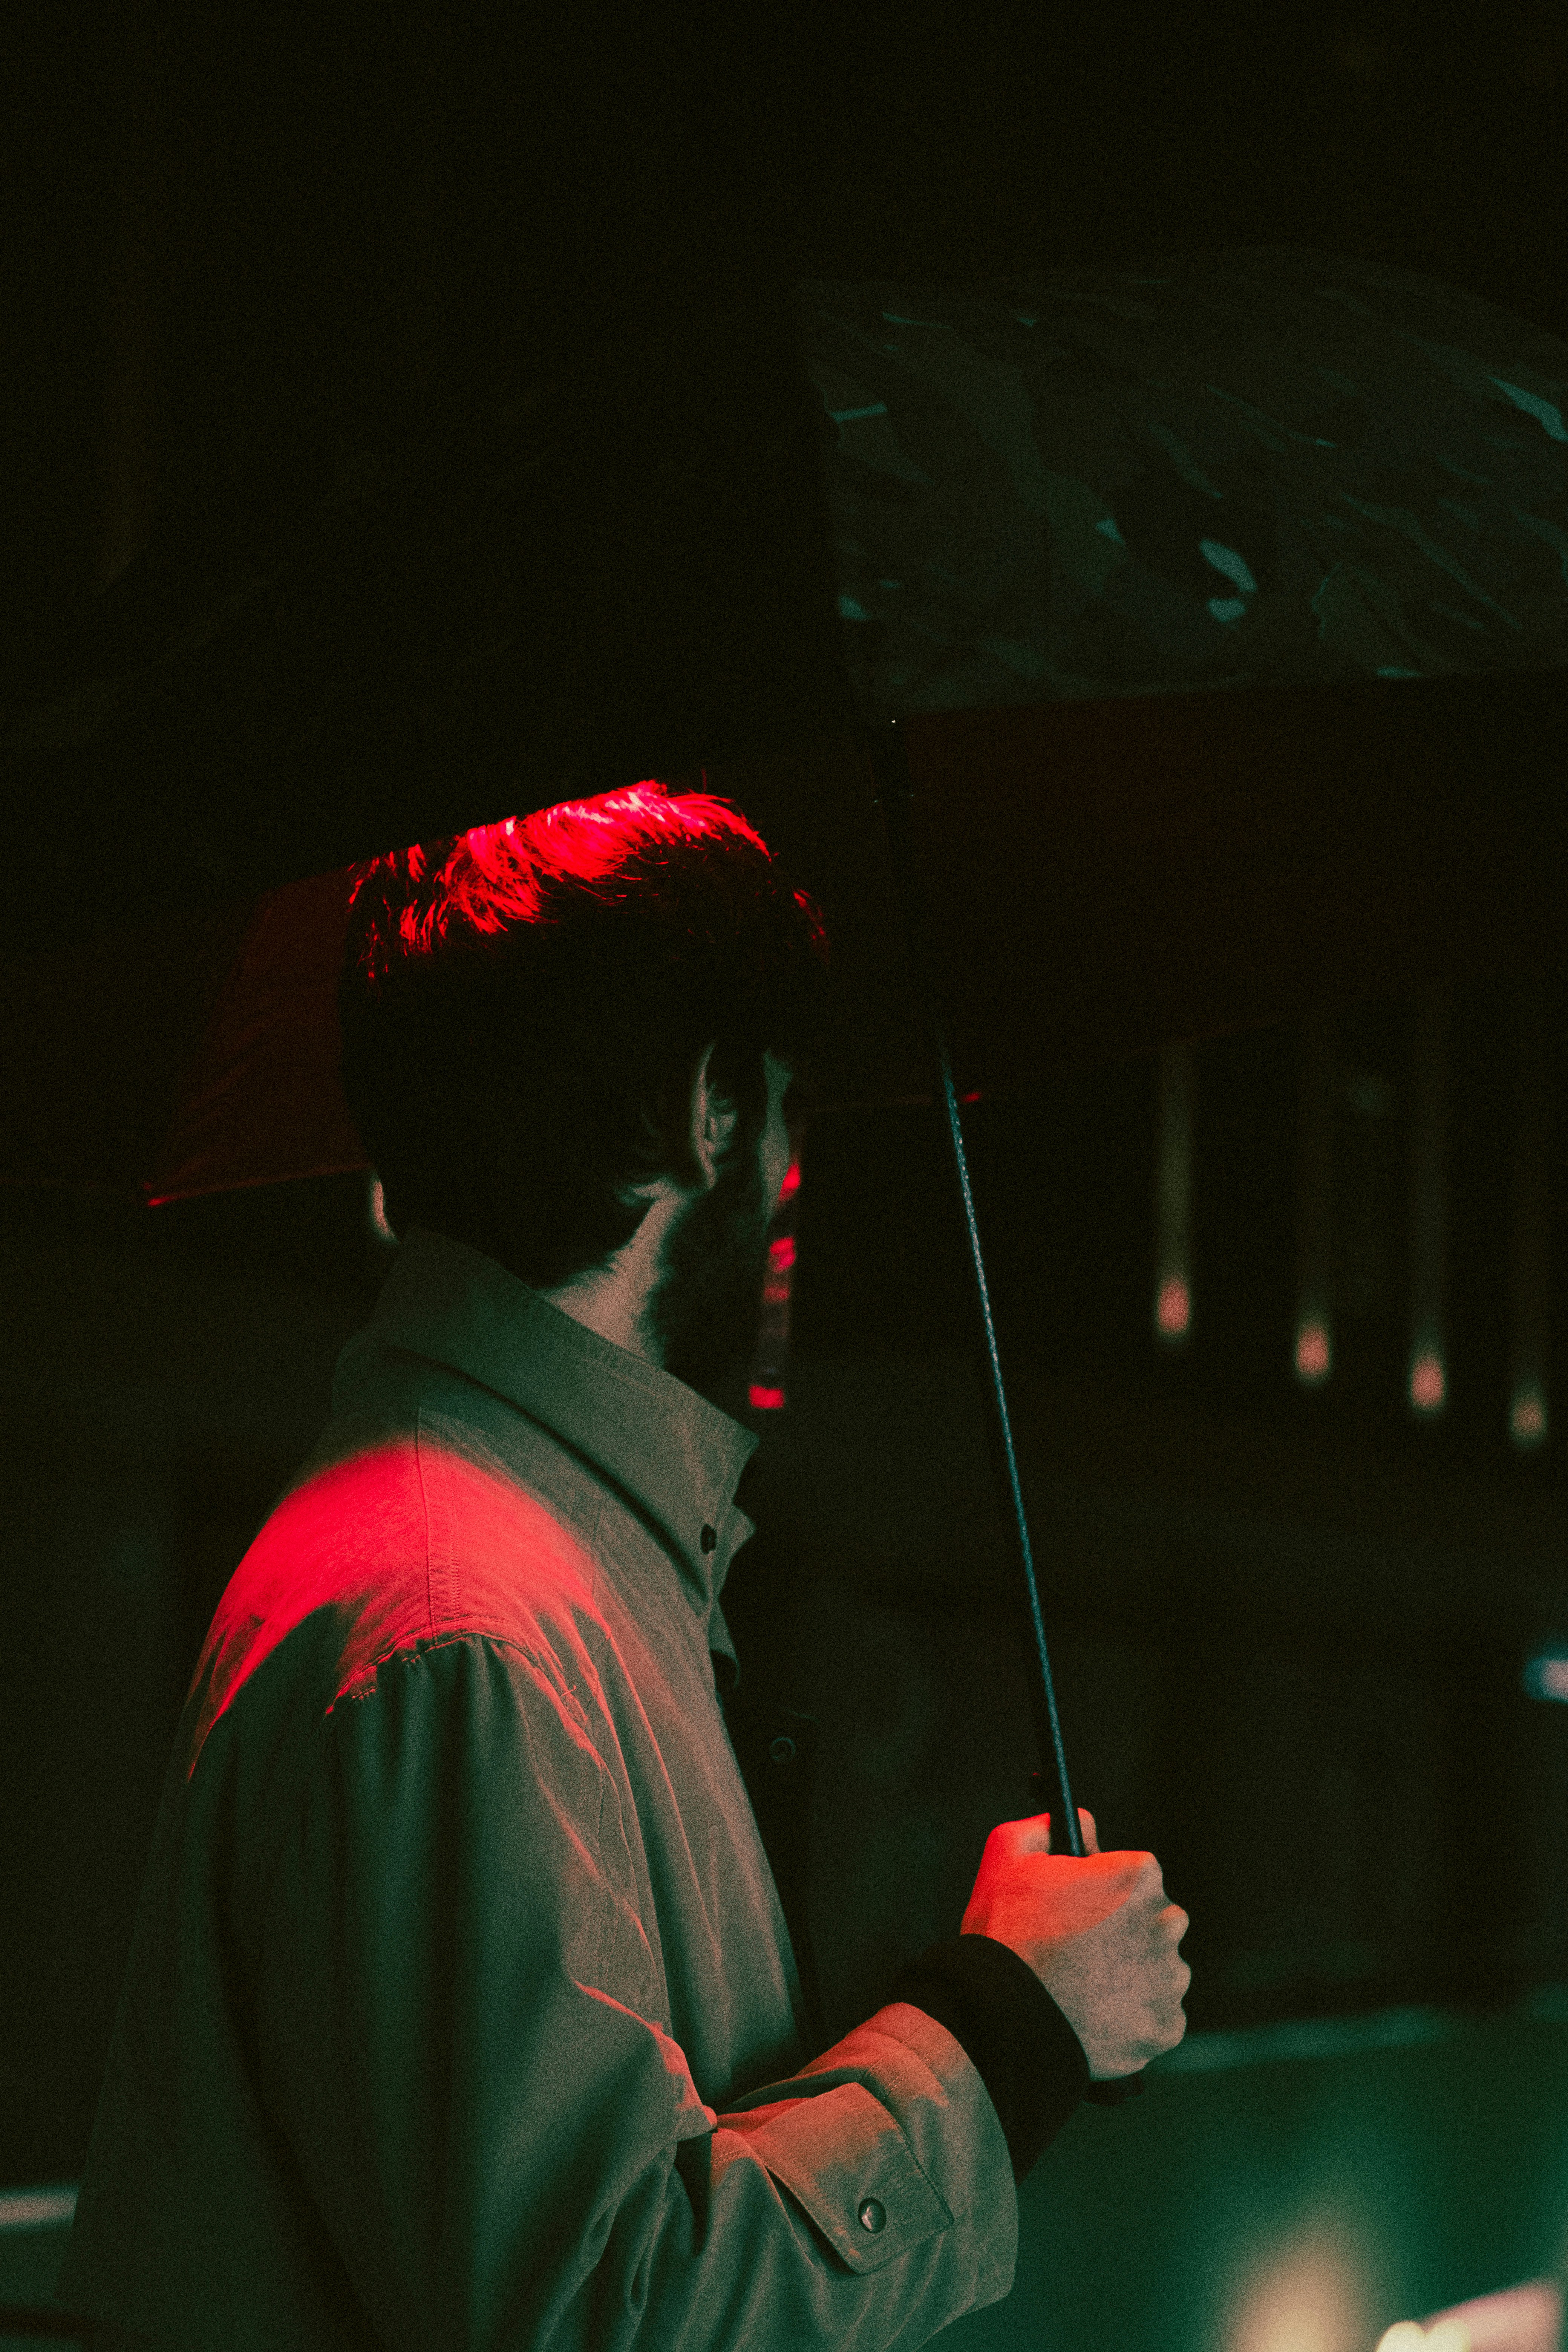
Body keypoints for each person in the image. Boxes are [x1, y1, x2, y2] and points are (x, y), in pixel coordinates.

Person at [55, 782, 1190, 2352]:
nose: (789, 1181)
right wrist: (1006, 2027)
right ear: (711, 1112)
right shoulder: (464, 1627)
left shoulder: (521, 1570)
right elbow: (605, 2307)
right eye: (783, 1113)